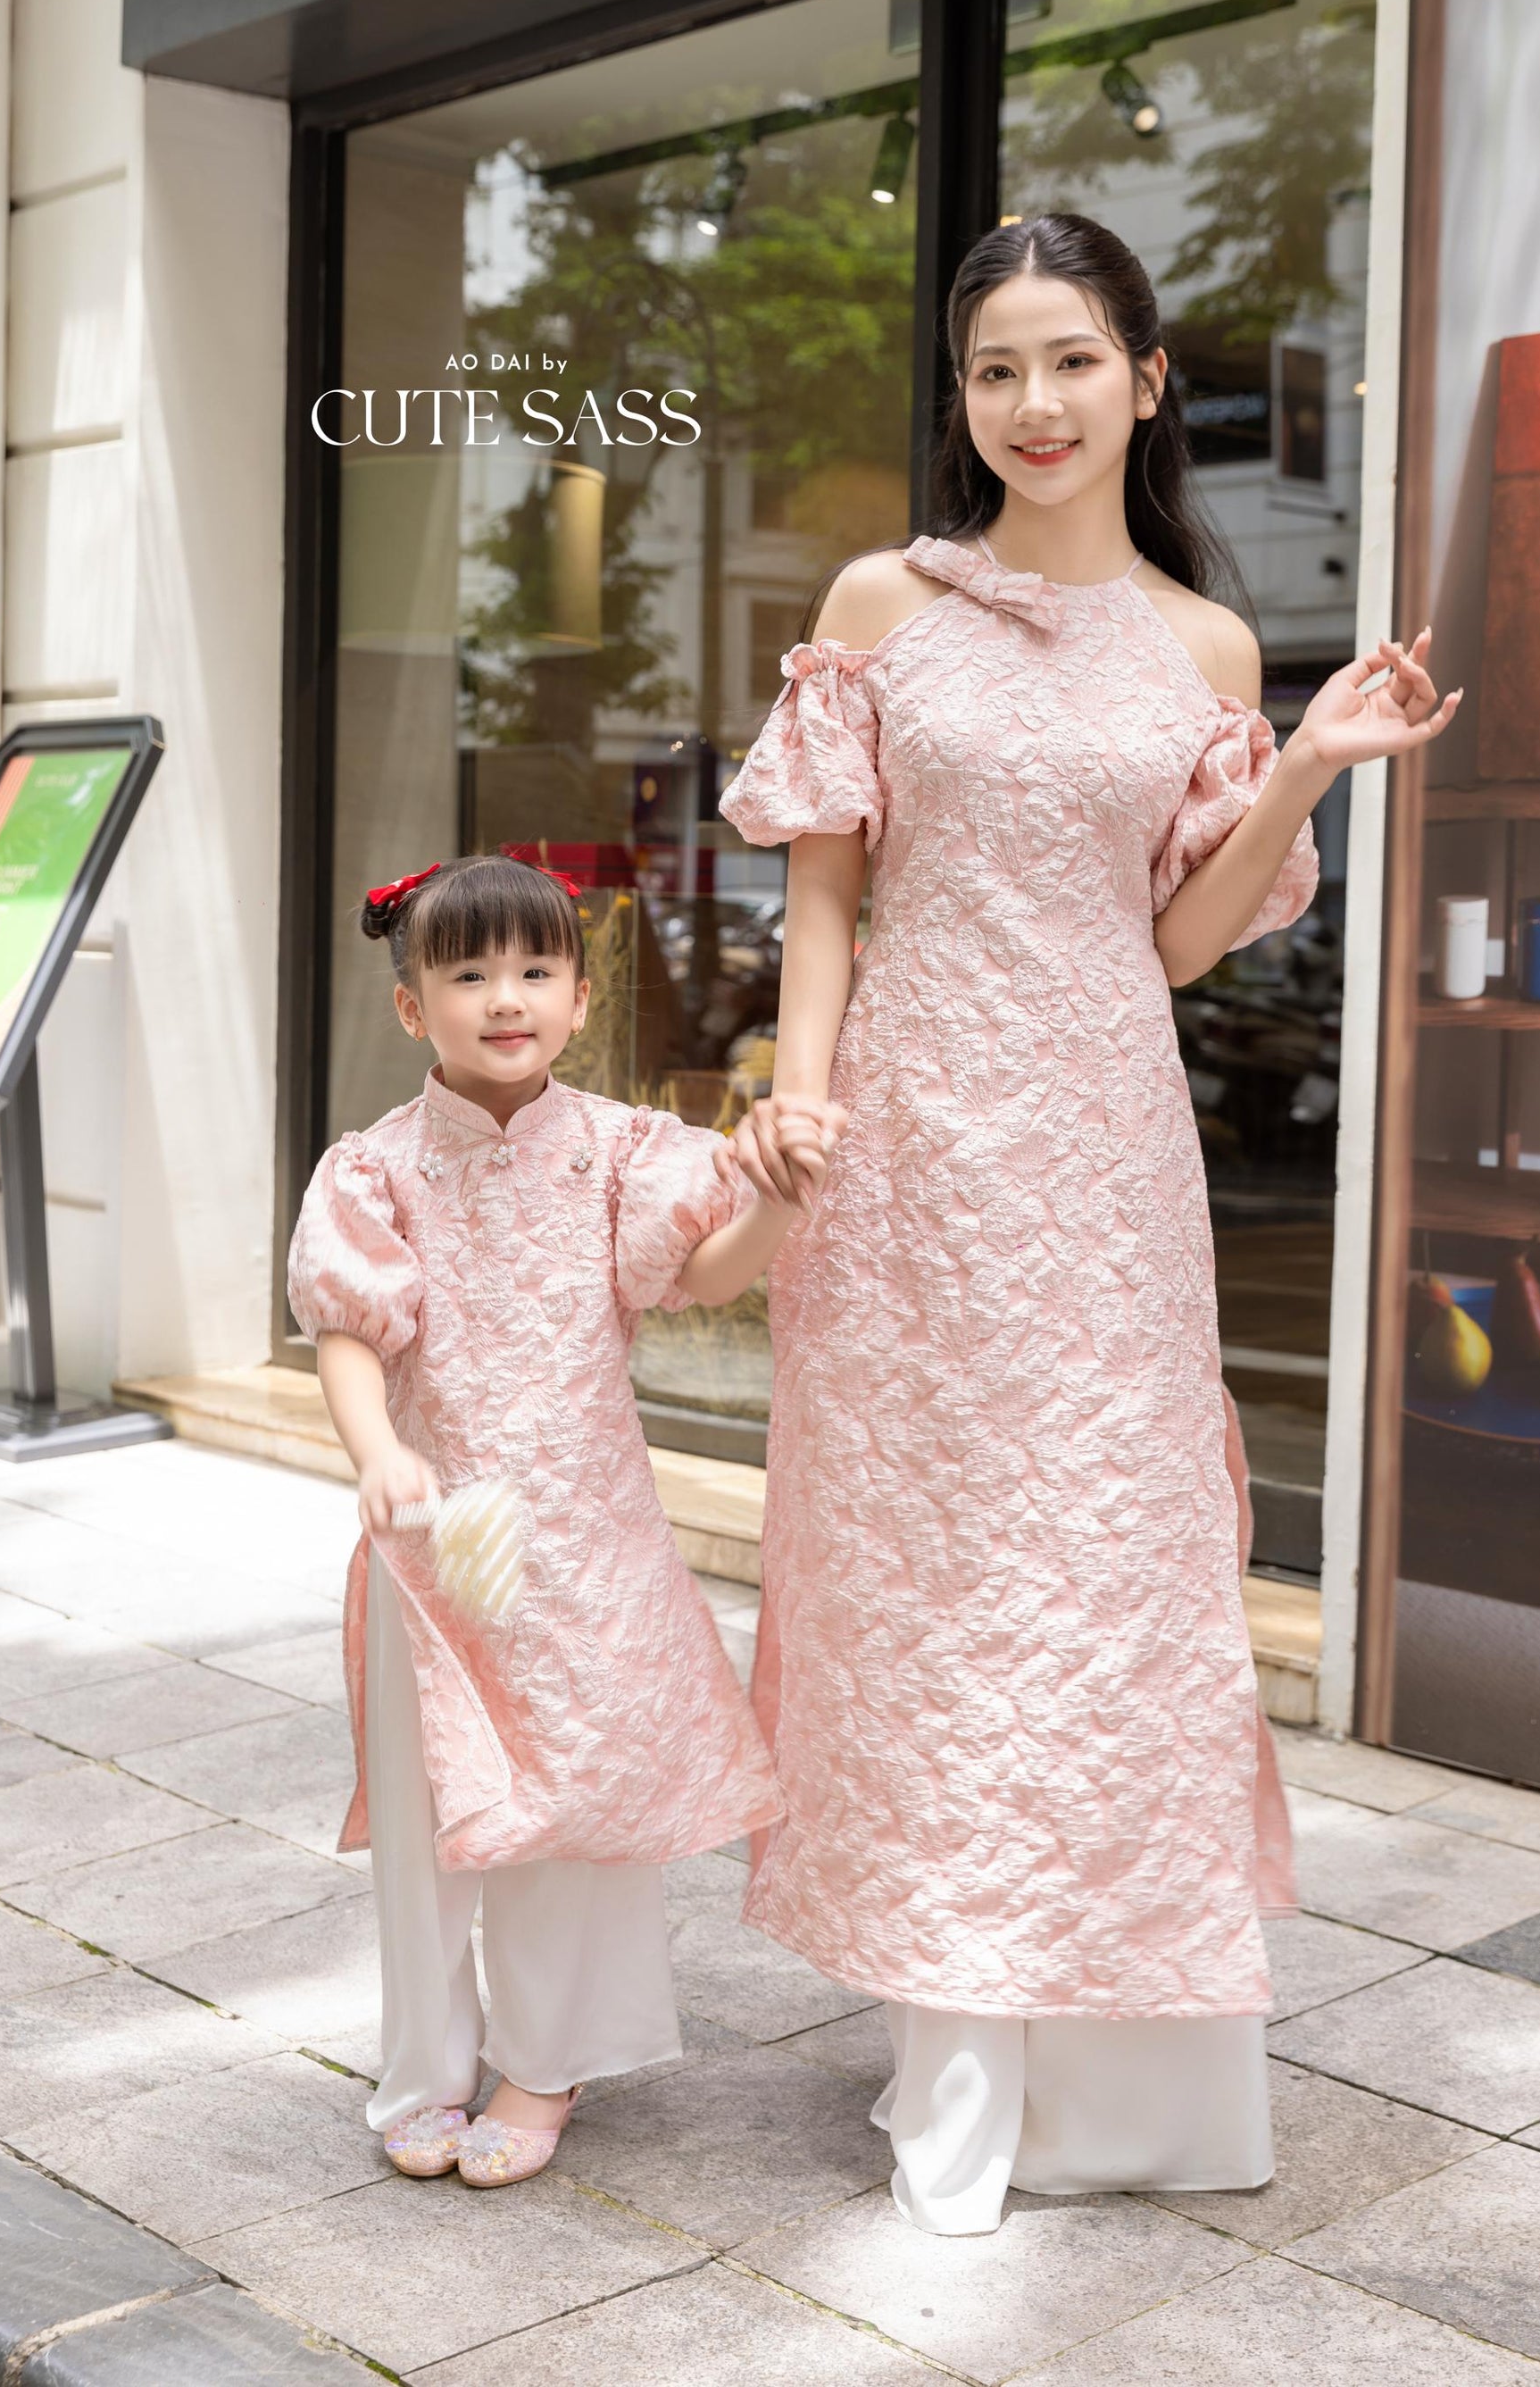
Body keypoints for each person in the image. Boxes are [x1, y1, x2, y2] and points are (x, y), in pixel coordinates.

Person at [721, 210, 1459, 2234]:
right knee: (934, 1581)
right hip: (902, 1150)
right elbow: (830, 892)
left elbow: (1183, 938)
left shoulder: (1205, 647)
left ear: (1146, 378)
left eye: (1066, 361)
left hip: (1104, 1169)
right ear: (960, 399)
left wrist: (1308, 758)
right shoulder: (885, 602)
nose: (1029, 405)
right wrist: (801, 1089)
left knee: (1102, 1579)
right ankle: (957, 2043)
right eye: (990, 369)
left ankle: (1113, 2060)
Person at [287, 849, 841, 2188]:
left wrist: (772, 1195)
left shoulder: (622, 1150)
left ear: (580, 996)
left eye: (534, 969)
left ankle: (544, 2070)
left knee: (569, 1818)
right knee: (434, 1824)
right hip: (435, 1549)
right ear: (412, 1007)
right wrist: (374, 1455)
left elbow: (698, 1277)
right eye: (467, 972)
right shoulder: (373, 1169)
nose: (504, 997)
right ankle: (423, 2063)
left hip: (582, 1543)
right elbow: (351, 1334)